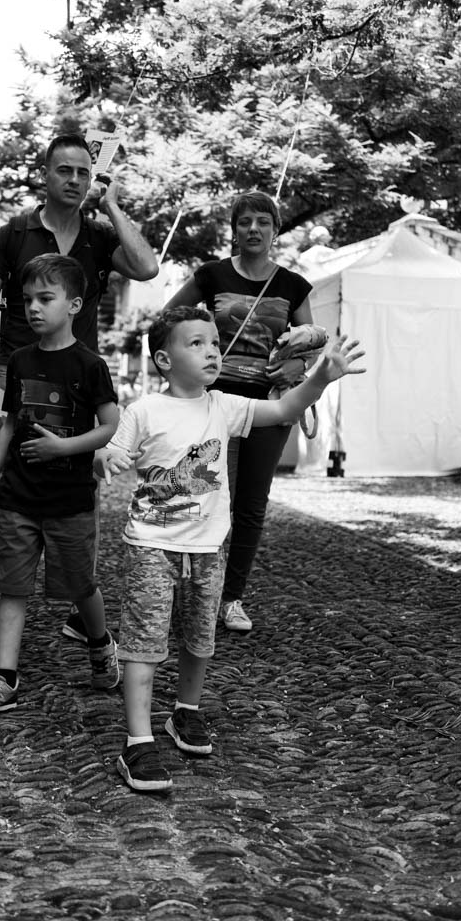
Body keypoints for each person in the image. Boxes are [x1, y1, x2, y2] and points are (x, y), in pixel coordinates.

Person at [96, 307, 365, 792]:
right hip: (151, 546)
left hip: (208, 548)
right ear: (164, 359)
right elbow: (112, 450)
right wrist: (108, 458)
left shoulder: (224, 406)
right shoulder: (144, 411)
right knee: (143, 642)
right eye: (196, 343)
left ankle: (186, 711)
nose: (212, 352)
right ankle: (138, 740)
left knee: (200, 637)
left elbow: (282, 411)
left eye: (215, 343)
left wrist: (321, 378)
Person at [0, 131, 160, 645]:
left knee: (77, 487)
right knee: (16, 487)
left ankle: (79, 597)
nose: (74, 180)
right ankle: (15, 593)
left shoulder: (99, 237)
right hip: (15, 374)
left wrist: (111, 207)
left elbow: (147, 267)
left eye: (83, 173)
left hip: (78, 383)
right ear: (45, 175)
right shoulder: (13, 234)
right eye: (64, 170)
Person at [0, 254, 123, 718]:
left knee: (80, 585)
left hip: (70, 500)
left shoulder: (90, 365)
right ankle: (4, 678)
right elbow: (11, 423)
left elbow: (110, 425)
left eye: (45, 298)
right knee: (12, 586)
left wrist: (63, 448)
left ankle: (100, 642)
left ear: (74, 305)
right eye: (27, 299)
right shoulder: (19, 360)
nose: (33, 307)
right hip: (19, 495)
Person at [162, 190, 316, 632]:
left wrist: (299, 364)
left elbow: (312, 341)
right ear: (233, 230)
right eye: (245, 221)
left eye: (263, 222)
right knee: (204, 497)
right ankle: (195, 591)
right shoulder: (211, 275)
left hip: (268, 405)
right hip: (214, 403)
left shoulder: (293, 285)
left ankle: (231, 598)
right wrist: (196, 353)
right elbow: (167, 320)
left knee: (251, 505)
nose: (253, 229)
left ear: (276, 230)